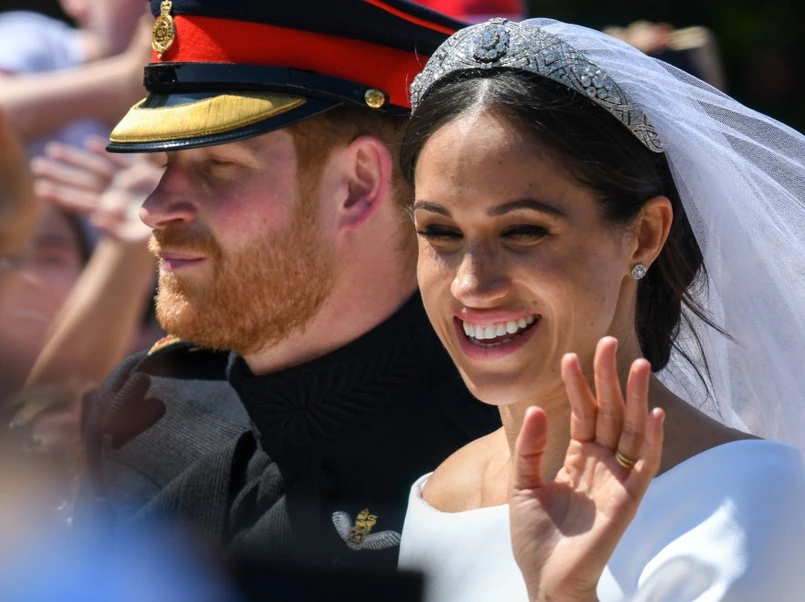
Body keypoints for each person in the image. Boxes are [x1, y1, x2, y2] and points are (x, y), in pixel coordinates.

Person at [396, 17, 805, 601]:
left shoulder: (755, 501)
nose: (471, 283)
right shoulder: (438, 498)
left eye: (524, 231)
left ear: (643, 235)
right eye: (440, 232)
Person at [84, 0, 499, 571]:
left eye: (217, 165)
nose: (154, 208)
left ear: (357, 185)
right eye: (164, 166)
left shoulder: (498, 450)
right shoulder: (143, 405)